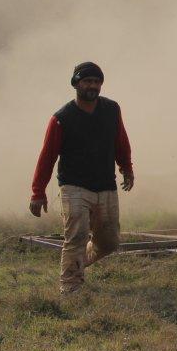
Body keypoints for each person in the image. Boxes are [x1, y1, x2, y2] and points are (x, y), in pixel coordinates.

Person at [29, 62, 135, 294]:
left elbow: (121, 142)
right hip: (73, 186)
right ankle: (70, 288)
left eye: (97, 82)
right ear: (76, 83)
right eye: (87, 81)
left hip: (105, 185)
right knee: (75, 236)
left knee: (109, 243)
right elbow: (47, 157)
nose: (93, 86)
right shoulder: (61, 118)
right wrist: (38, 192)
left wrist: (126, 168)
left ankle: (77, 262)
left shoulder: (111, 110)